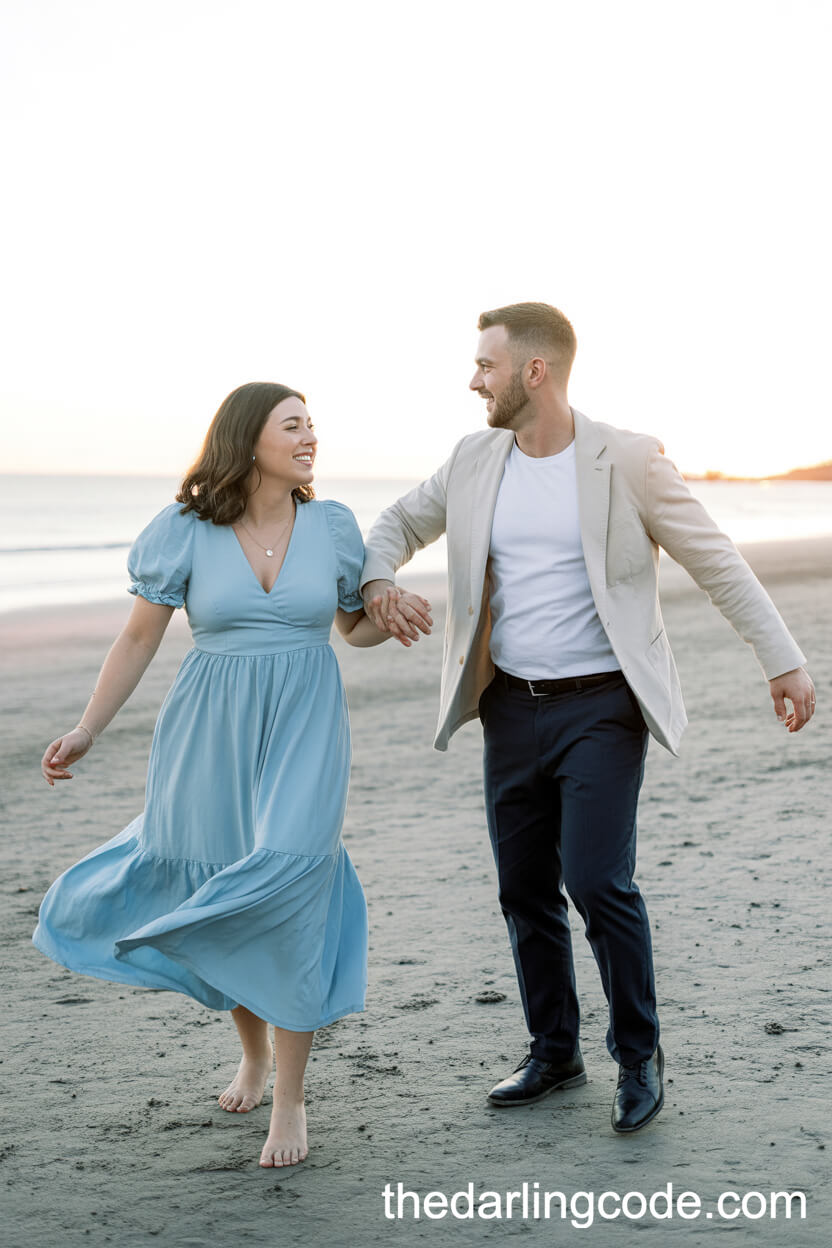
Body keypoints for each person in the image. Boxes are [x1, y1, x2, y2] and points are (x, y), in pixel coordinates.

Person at [360, 302, 815, 1134]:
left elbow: (716, 560)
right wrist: (378, 580)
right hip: (510, 705)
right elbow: (395, 525)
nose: (474, 380)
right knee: (523, 888)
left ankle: (638, 1056)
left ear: (534, 371)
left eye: (487, 365)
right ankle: (554, 1052)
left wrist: (781, 659)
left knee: (599, 882)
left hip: (603, 707)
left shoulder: (627, 461)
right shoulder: (473, 460)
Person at [34, 381, 430, 1168]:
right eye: (293, 425)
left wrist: (387, 616)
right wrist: (87, 727)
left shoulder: (333, 526)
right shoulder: (183, 530)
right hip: (208, 732)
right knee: (224, 886)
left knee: (291, 883)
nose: (310, 437)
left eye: (312, 425)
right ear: (248, 440)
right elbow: (139, 640)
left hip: (306, 727)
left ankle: (291, 1100)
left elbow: (350, 628)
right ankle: (252, 1052)